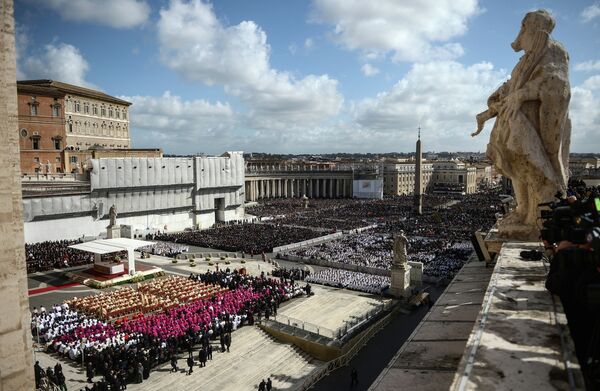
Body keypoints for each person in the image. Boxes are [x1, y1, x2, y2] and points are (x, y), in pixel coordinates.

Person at [472, 9, 571, 238]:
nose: (521, 33)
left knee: (530, 164)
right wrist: (488, 111)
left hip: (531, 123)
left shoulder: (554, 51)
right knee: (515, 167)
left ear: (536, 30)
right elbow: (510, 88)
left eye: (525, 28)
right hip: (512, 121)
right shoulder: (525, 60)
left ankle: (535, 216)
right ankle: (524, 209)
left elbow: (556, 82)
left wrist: (524, 94)